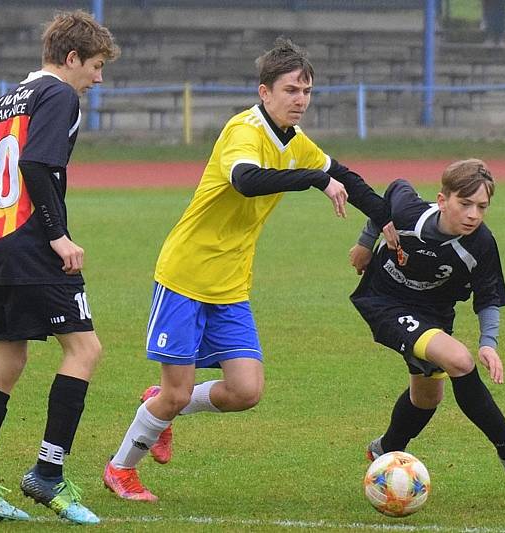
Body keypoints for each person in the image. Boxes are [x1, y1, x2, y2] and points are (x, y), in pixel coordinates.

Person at [103, 37, 399, 502]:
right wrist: (315, 179)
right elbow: (246, 181)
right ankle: (121, 469)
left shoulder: (294, 141)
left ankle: (159, 408)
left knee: (245, 390)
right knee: (176, 393)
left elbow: (347, 178)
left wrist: (385, 220)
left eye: (306, 91)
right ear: (265, 93)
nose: (300, 100)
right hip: (186, 275)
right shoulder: (244, 131)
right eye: (290, 90)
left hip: (231, 283)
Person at [0, 10, 119, 524]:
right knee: (85, 350)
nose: (98, 79)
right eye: (96, 65)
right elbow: (36, 164)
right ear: (72, 58)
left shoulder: (8, 99)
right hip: (32, 246)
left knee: (9, 359)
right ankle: (48, 473)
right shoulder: (58, 95)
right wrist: (58, 236)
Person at [348, 159, 505, 477]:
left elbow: (488, 296)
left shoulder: (481, 244)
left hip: (433, 313)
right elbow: (392, 192)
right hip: (385, 303)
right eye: (465, 204)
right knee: (459, 360)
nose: (473, 214)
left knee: (427, 398)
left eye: (482, 206)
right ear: (443, 200)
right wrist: (366, 242)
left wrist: (488, 343)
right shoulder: (409, 213)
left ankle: (386, 449)